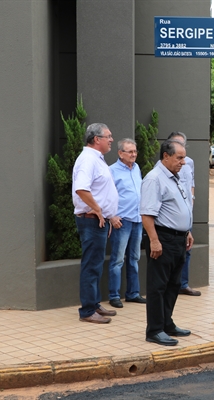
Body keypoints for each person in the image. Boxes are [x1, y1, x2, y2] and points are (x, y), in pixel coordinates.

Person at [141, 139, 194, 346]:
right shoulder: (154, 179)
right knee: (158, 286)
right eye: (179, 158)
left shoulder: (174, 177)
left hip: (179, 239)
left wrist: (187, 231)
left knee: (173, 285)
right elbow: (147, 214)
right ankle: (154, 330)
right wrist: (154, 241)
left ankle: (166, 323)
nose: (183, 162)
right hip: (163, 238)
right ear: (165, 156)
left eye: (184, 157)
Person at [72, 123, 121, 324]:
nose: (111, 140)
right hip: (91, 222)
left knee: (96, 265)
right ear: (96, 139)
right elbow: (81, 189)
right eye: (108, 136)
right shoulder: (87, 160)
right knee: (91, 266)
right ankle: (87, 311)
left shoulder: (96, 159)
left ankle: (94, 304)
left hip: (99, 223)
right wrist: (99, 210)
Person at [107, 138, 146, 308]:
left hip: (137, 219)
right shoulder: (112, 171)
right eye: (130, 152)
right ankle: (114, 295)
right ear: (120, 153)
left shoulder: (136, 168)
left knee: (134, 258)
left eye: (135, 151)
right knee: (117, 260)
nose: (133, 155)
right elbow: (105, 195)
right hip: (122, 221)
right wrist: (111, 216)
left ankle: (133, 293)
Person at [167, 131, 201, 296]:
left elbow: (191, 182)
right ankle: (172, 284)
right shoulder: (163, 167)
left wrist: (192, 199)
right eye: (176, 144)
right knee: (172, 251)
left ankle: (183, 284)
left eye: (182, 144)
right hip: (172, 215)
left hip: (187, 212)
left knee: (187, 249)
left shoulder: (190, 163)